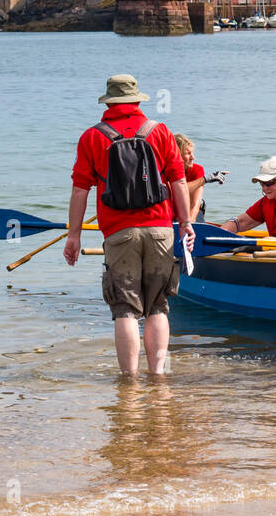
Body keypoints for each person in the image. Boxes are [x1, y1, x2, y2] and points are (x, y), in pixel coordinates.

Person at [65, 74, 194, 375]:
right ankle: (158, 375)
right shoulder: (160, 131)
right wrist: (186, 223)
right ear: (137, 100)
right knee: (157, 307)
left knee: (125, 309)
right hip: (161, 230)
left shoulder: (92, 137)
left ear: (108, 102)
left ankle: (129, 381)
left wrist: (74, 236)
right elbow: (178, 180)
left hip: (119, 233)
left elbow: (80, 190)